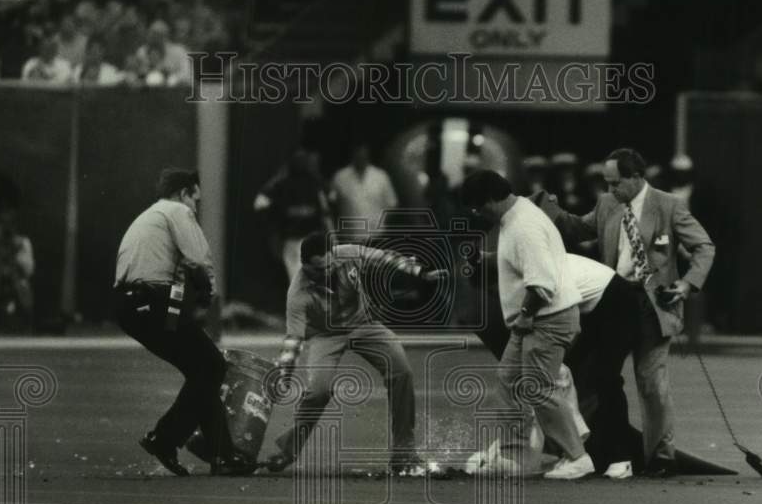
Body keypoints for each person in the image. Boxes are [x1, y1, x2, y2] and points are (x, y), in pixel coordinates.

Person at [539, 147, 716, 476]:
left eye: (616, 183)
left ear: (637, 178)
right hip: (612, 299)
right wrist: (553, 212)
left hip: (654, 304)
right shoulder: (608, 204)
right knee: (597, 375)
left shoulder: (669, 205)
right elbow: (579, 230)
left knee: (651, 382)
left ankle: (661, 458)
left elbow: (704, 246)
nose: (610, 191)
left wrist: (688, 284)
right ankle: (600, 449)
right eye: (607, 184)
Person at [263, 232, 448, 476]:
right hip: (325, 335)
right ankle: (287, 451)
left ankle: (404, 453)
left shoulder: (348, 253)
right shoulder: (298, 292)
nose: (326, 273)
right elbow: (293, 339)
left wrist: (420, 273)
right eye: (318, 270)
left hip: (364, 323)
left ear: (334, 254)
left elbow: (385, 258)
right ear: (306, 266)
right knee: (319, 390)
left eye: (329, 265)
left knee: (401, 370)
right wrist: (285, 374)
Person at [113, 169, 251, 477]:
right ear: (184, 193)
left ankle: (223, 454)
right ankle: (165, 439)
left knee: (203, 370)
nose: (196, 208)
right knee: (211, 367)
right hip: (150, 299)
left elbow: (173, 276)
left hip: (132, 302)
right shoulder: (177, 210)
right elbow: (198, 260)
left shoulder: (151, 215)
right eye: (196, 199)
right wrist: (209, 296)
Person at [459, 170, 592, 480]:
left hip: (547, 317)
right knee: (509, 379)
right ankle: (515, 453)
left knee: (538, 389)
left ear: (493, 198)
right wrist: (487, 258)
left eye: (479, 207)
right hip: (539, 318)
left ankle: (578, 457)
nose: (479, 214)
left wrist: (525, 316)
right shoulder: (516, 218)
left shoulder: (524, 226)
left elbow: (540, 282)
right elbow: (520, 260)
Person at [253, 147, 333, 283]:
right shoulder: (283, 183)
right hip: (292, 240)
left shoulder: (314, 183)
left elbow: (329, 203)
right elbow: (260, 204)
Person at [328, 143, 398, 241]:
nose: (360, 157)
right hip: (349, 238)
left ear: (368, 155)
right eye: (358, 153)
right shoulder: (340, 177)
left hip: (376, 238)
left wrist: (380, 225)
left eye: (363, 154)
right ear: (353, 155)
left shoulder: (381, 177)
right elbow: (331, 205)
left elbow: (392, 204)